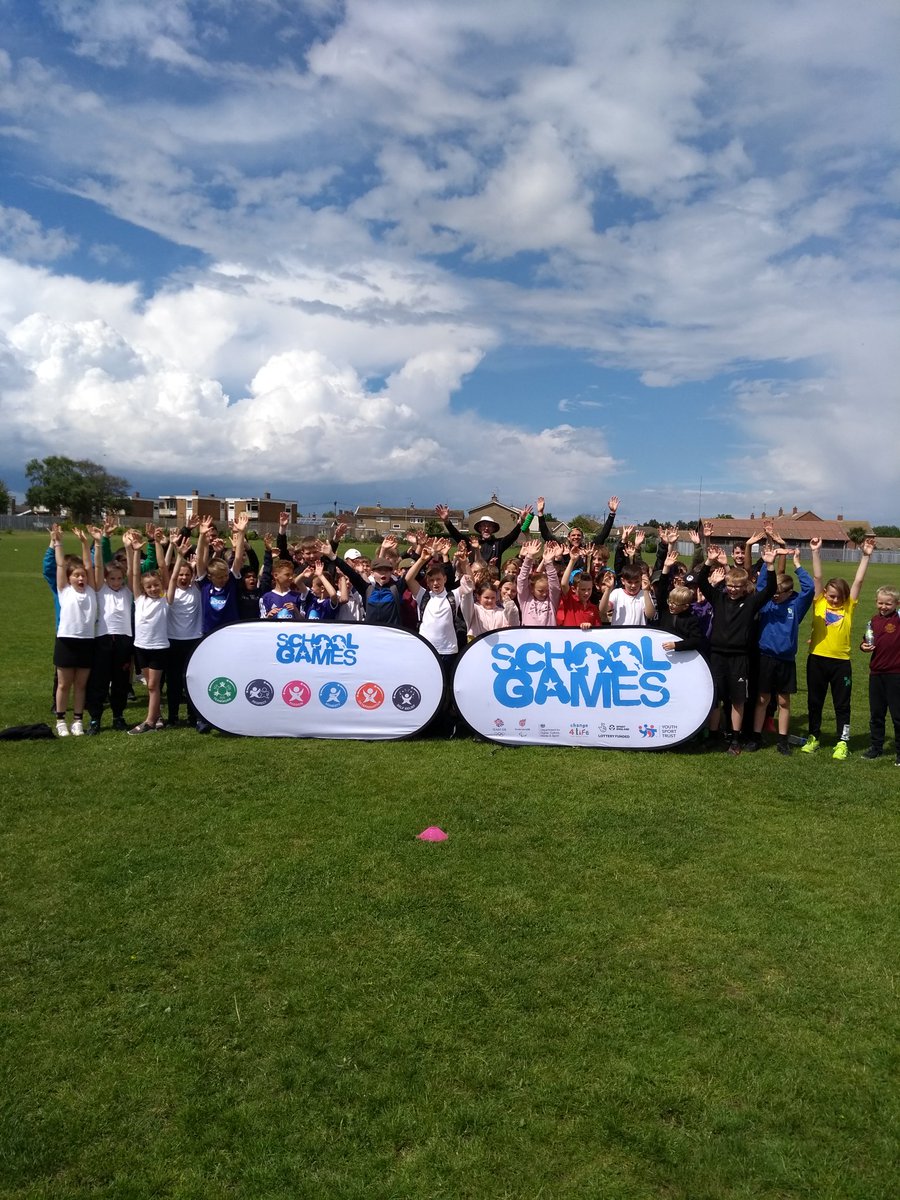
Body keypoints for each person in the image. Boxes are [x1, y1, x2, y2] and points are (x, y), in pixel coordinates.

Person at [697, 542, 778, 755]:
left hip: (739, 658)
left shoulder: (751, 603)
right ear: (726, 583)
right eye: (730, 586)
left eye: (737, 587)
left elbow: (770, 589)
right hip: (717, 656)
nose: (733, 590)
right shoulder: (719, 598)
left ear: (744, 587)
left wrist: (770, 565)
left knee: (737, 700)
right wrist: (709, 561)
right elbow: (701, 583)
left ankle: (735, 738)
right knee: (716, 699)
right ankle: (714, 735)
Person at [801, 536, 875, 759]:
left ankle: (843, 741)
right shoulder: (820, 602)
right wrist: (815, 552)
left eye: (838, 597)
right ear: (825, 594)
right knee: (815, 702)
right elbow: (817, 576)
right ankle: (814, 737)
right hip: (816, 659)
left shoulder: (848, 607)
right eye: (831, 596)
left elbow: (858, 582)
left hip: (841, 663)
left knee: (842, 705)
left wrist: (865, 556)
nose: (834, 600)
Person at [744, 545, 814, 754]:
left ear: (789, 592)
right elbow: (763, 585)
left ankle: (782, 740)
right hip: (765, 657)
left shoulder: (796, 605)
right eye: (773, 593)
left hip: (786, 660)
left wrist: (798, 565)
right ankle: (756, 737)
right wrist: (768, 563)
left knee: (784, 700)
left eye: (779, 593)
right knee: (763, 698)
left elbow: (809, 589)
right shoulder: (766, 604)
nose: (774, 595)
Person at [52, 524, 101, 737]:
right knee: (64, 684)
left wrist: (84, 542)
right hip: (66, 641)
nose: (80, 579)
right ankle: (61, 720)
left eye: (82, 575)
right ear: (69, 578)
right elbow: (61, 566)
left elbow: (89, 565)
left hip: (86, 642)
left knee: (81, 684)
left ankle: (78, 720)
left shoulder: (91, 590)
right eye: (76, 576)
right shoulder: (63, 591)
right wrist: (58, 542)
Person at [86, 529, 134, 734]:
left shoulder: (128, 591)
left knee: (121, 681)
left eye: (119, 578)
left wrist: (131, 549)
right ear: (106, 579)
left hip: (123, 640)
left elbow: (133, 572)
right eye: (112, 578)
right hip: (103, 640)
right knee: (99, 681)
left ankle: (118, 716)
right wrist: (98, 543)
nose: (116, 582)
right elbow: (97, 567)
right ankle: (95, 718)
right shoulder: (100, 589)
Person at [125, 527, 171, 734]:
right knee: (150, 686)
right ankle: (158, 717)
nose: (153, 589)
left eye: (156, 585)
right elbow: (135, 574)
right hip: (141, 647)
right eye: (149, 586)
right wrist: (135, 552)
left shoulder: (165, 599)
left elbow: (162, 567)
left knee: (153, 686)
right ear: (144, 589)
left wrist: (157, 544)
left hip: (159, 647)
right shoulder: (139, 598)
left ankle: (149, 722)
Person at [165, 535, 203, 727]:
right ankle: (172, 717)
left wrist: (195, 563)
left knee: (190, 681)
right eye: (180, 574)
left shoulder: (196, 588)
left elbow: (200, 569)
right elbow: (170, 578)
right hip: (173, 641)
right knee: (173, 682)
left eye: (187, 574)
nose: (183, 577)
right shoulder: (170, 591)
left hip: (193, 640)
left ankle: (192, 716)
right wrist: (179, 555)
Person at [859, 585, 900, 764]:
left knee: (897, 715)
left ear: (896, 604)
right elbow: (865, 640)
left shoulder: (898, 619)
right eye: (880, 603)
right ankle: (876, 747)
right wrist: (864, 647)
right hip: (876, 674)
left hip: (895, 674)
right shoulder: (873, 621)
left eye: (888, 604)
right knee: (876, 714)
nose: (883, 607)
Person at [456, 548, 520, 637]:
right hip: (475, 647)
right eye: (486, 597)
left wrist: (510, 605)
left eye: (493, 598)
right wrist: (465, 566)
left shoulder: (501, 612)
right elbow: (467, 596)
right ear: (478, 597)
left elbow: (514, 623)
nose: (490, 600)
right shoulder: (474, 610)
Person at [516, 539, 562, 626]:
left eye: (547, 591)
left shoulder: (552, 601)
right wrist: (529, 557)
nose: (545, 594)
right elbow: (522, 580)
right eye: (540, 591)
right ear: (532, 589)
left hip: (548, 637)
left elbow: (555, 586)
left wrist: (548, 562)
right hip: (529, 637)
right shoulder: (525, 599)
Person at [557, 553, 601, 629]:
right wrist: (572, 561)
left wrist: (589, 627)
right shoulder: (569, 600)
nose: (587, 593)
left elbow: (598, 630)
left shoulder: (593, 608)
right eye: (583, 590)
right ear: (574, 589)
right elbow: (564, 584)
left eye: (589, 589)